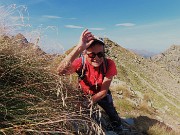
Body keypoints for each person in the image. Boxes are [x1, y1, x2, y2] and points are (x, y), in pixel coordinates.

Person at [57, 29, 122, 130]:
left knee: (111, 112)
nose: (96, 58)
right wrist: (79, 48)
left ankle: (117, 125)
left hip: (101, 94)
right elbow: (60, 71)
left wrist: (90, 101)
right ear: (84, 54)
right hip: (83, 94)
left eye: (100, 54)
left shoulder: (109, 64)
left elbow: (104, 91)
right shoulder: (80, 62)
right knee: (83, 114)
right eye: (92, 54)